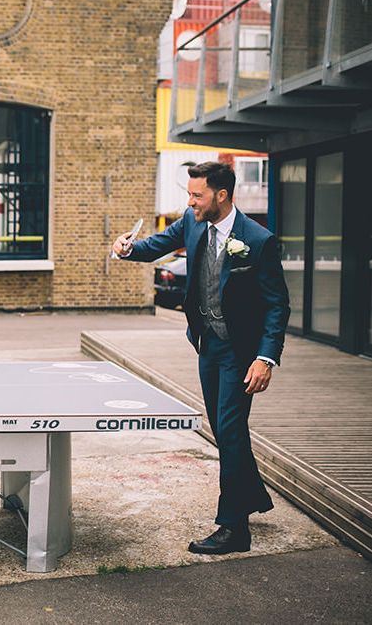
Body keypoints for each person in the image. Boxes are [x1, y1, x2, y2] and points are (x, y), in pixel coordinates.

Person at [112, 161, 290, 555]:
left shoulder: (257, 240)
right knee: (226, 430)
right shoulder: (193, 223)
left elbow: (278, 306)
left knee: (229, 430)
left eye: (197, 195)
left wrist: (266, 358)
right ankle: (253, 497)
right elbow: (153, 246)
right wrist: (125, 249)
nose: (190, 202)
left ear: (221, 196)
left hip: (241, 354)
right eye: (189, 194)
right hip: (207, 346)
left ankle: (233, 528)